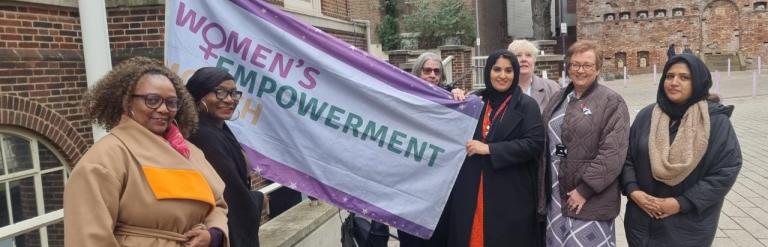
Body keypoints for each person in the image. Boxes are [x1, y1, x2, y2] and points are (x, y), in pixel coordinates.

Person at [64, 57, 229, 247]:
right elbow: (88, 240)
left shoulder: (190, 151)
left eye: (171, 102)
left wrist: (214, 235)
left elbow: (218, 203)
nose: (163, 109)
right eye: (151, 100)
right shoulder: (104, 159)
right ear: (126, 102)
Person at [621, 53, 742, 246]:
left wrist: (681, 203)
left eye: (684, 77)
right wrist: (633, 191)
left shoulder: (715, 122)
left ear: (699, 82)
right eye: (669, 76)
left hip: (686, 226)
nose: (674, 82)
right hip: (641, 222)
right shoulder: (647, 116)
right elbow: (626, 157)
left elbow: (726, 170)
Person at [431, 49, 544, 247]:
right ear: (487, 72)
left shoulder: (527, 105)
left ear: (515, 74)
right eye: (497, 69)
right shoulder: (475, 101)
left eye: (509, 71)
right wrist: (453, 95)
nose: (502, 75)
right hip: (472, 189)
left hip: (510, 193)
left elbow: (534, 144)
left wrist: (490, 149)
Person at [538, 40, 630, 247]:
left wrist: (585, 190)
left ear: (597, 69)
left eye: (587, 65)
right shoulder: (559, 98)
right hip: (556, 193)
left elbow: (613, 153)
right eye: (575, 64)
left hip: (590, 197)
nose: (580, 70)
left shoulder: (611, 102)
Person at [186, 67, 264, 247]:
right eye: (219, 92)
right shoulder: (202, 136)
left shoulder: (219, 130)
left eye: (233, 93)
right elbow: (229, 193)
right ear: (199, 95)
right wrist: (258, 199)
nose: (229, 100)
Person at [507, 40, 561, 112]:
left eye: (528, 55)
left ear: (534, 60)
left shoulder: (552, 87)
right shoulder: (504, 88)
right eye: (518, 55)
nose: (523, 59)